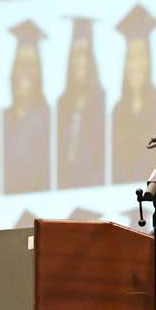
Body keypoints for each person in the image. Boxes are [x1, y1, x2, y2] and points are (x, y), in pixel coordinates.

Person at [110, 3, 156, 185]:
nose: (136, 64)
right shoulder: (118, 110)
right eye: (131, 57)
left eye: (141, 56)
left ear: (149, 61)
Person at [57, 17, 106, 189]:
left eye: (85, 55)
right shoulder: (61, 105)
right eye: (76, 55)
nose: (80, 62)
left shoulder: (101, 103)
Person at [3, 20, 52, 193]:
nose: (25, 71)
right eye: (20, 63)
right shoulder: (3, 119)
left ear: (39, 72)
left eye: (31, 64)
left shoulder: (49, 118)